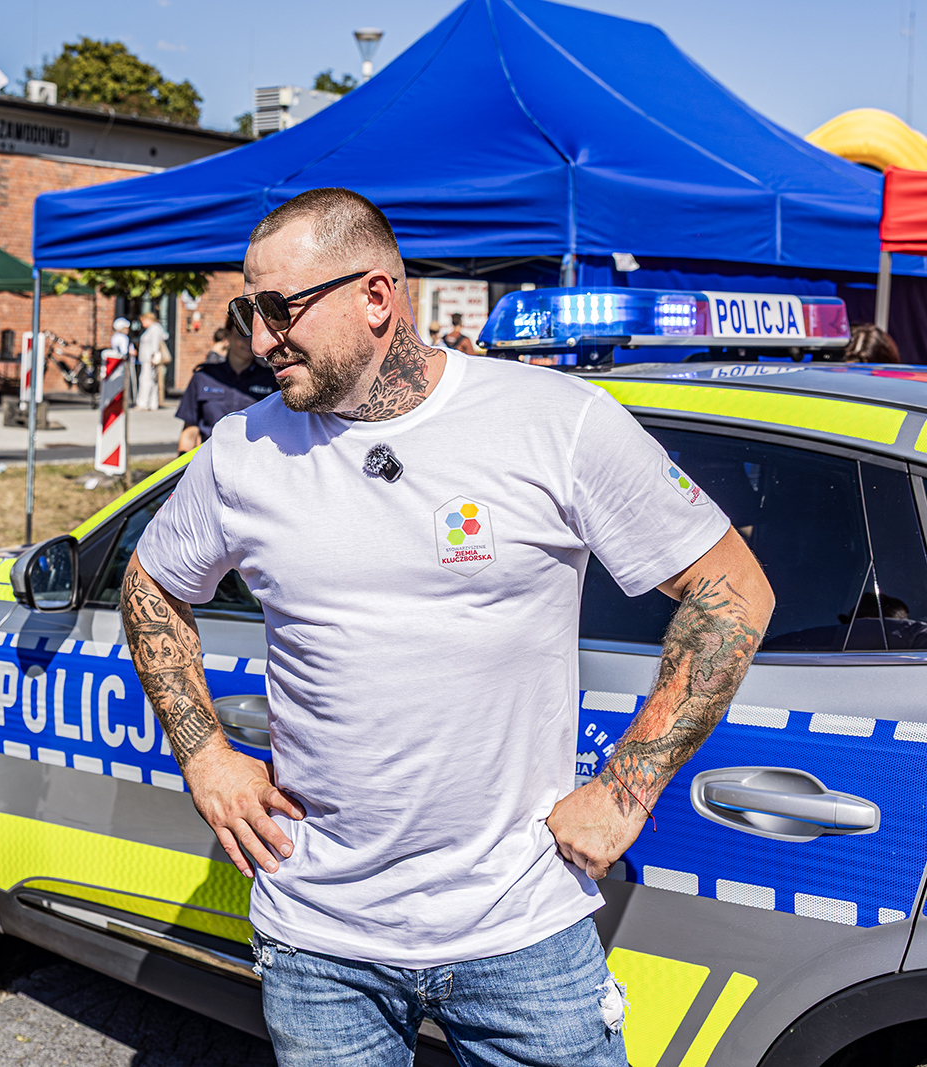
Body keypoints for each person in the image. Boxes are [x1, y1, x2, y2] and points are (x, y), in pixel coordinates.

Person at [119, 188, 774, 1067]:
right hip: (319, 943)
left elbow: (732, 589)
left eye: (279, 308)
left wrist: (627, 789)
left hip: (522, 932)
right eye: (249, 312)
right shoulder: (243, 452)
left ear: (376, 297)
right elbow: (151, 582)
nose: (261, 339)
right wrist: (204, 754)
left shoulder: (554, 420)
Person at [175, 313, 278, 454]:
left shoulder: (271, 380)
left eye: (253, 336)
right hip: (211, 459)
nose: (248, 342)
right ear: (227, 336)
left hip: (254, 459)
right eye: (242, 335)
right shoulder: (204, 377)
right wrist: (183, 460)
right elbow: (190, 430)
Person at [135, 310, 170, 410]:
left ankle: (143, 403)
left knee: (146, 381)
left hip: (149, 359)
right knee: (152, 381)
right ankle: (152, 403)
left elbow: (155, 344)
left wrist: (153, 357)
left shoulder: (154, 329)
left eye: (143, 321)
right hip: (148, 359)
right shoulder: (155, 328)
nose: (142, 323)